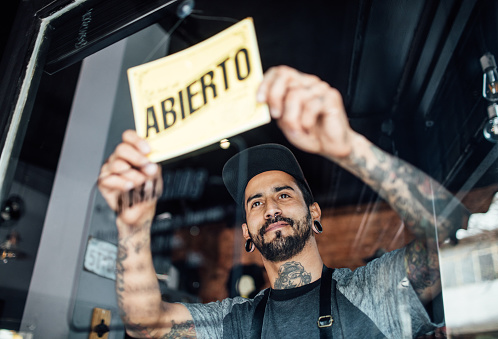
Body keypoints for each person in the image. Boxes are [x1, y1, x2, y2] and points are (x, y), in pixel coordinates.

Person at [98, 66, 470, 338]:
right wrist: (132, 225)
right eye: (255, 202)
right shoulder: (237, 322)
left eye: (284, 193)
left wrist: (351, 149)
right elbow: (148, 323)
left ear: (314, 213)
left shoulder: (371, 292)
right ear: (247, 232)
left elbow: (449, 236)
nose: (271, 206)